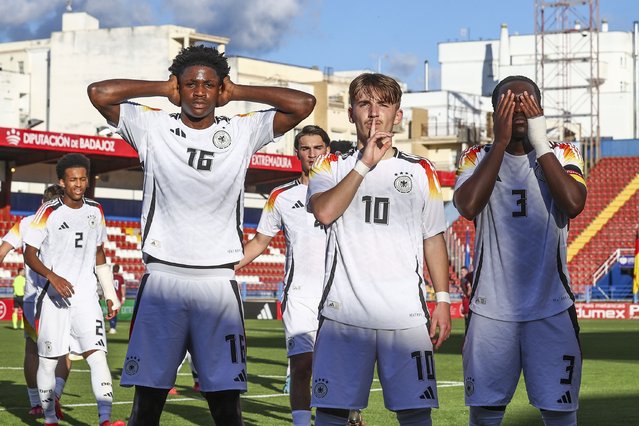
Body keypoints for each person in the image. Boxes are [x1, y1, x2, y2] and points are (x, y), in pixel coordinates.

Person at [87, 44, 315, 425]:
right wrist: (165, 87)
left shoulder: (242, 130)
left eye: (208, 85)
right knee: (147, 401)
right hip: (163, 279)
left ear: (219, 89)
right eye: (190, 84)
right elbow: (99, 93)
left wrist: (237, 91)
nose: (198, 92)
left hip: (217, 281)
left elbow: (303, 104)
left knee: (226, 404)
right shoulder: (152, 125)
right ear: (179, 86)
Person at [307, 73, 451, 425]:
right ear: (351, 113)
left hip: (405, 316)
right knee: (332, 414)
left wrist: (443, 300)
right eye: (364, 104)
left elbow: (433, 237)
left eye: (383, 105)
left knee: (416, 413)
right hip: (345, 315)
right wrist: (364, 165)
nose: (374, 113)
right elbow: (324, 211)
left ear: (397, 115)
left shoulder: (421, 171)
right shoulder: (330, 165)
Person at [453, 75, 587, 426]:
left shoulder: (563, 153)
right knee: (485, 415)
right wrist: (498, 144)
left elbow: (573, 203)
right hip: (490, 310)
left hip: (552, 308)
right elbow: (467, 206)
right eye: (510, 102)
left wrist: (540, 142)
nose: (520, 108)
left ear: (540, 109)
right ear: (496, 111)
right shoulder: (475, 156)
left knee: (560, 414)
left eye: (528, 101)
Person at [236, 124, 330, 426]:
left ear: (327, 151)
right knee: (302, 365)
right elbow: (260, 242)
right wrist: (223, 267)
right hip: (300, 293)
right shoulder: (281, 196)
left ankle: (350, 414)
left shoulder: (345, 188)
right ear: (297, 153)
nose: (312, 154)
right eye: (306, 148)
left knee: (338, 367)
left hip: (341, 292)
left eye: (318, 148)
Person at [24, 154, 123, 426]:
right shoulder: (48, 213)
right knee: (47, 362)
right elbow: (29, 254)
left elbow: (99, 252)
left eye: (82, 179)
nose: (78, 184)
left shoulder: (96, 210)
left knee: (98, 355)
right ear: (62, 182)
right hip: (53, 299)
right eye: (72, 179)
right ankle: (49, 419)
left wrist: (111, 294)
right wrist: (52, 276)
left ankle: (105, 420)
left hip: (86, 299)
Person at [0, 184, 71, 418]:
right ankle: (55, 397)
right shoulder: (72, 222)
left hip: (34, 299)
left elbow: (2, 252)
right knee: (63, 352)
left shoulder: (25, 223)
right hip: (64, 297)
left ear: (43, 202)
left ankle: (36, 403)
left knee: (32, 351)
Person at [108, 264, 126, 334]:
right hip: (118, 297)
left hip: (110, 297)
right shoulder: (120, 277)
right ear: (118, 270)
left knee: (111, 312)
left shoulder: (110, 277)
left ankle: (112, 327)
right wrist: (123, 298)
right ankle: (113, 327)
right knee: (115, 313)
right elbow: (122, 288)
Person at [459, 266, 473, 331]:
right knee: (466, 316)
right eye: (461, 271)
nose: (462, 273)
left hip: (467, 299)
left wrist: (467, 294)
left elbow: (469, 287)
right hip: (465, 299)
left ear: (466, 271)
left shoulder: (466, 279)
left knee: (467, 316)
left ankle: (468, 331)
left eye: (463, 271)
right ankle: (467, 331)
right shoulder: (462, 279)